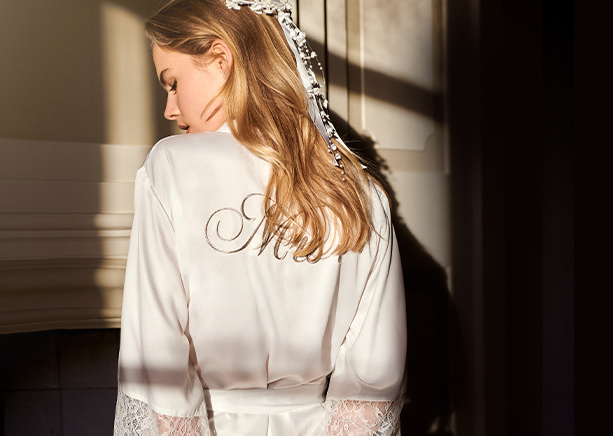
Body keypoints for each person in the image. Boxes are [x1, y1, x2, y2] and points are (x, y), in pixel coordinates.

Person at [114, 0, 406, 434]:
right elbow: (373, 380)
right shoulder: (360, 190)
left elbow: (157, 365)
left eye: (173, 83)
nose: (169, 110)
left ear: (221, 58)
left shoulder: (171, 167)